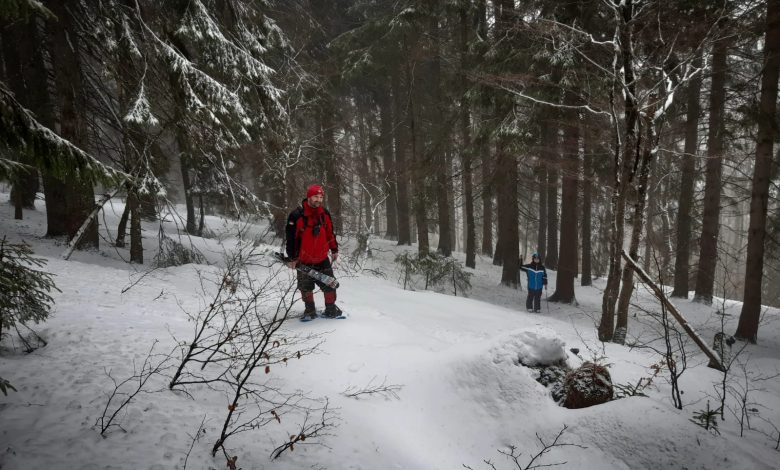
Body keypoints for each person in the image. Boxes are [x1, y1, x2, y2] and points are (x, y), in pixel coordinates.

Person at [285, 184, 341, 319]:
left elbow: (330, 233)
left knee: (330, 285)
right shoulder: (296, 215)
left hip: (322, 259)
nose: (318, 200)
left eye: (321, 197)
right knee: (306, 288)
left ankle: (331, 309)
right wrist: (292, 258)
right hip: (303, 261)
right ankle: (310, 311)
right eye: (316, 196)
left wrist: (334, 249)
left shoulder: (324, 214)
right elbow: (291, 239)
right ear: (309, 196)